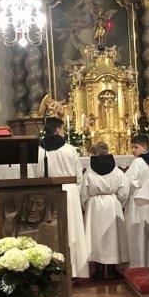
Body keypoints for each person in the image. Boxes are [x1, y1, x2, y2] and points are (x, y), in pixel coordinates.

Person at [36, 117, 90, 278]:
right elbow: (79, 177)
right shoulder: (69, 149)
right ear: (57, 130)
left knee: (51, 230)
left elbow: (37, 173)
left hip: (49, 192)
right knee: (72, 230)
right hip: (70, 192)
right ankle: (74, 270)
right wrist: (76, 194)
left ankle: (51, 269)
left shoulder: (40, 150)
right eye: (62, 129)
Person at [81, 142, 129, 279]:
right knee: (113, 237)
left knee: (95, 238)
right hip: (112, 204)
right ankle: (112, 270)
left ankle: (99, 271)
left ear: (95, 154)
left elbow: (84, 193)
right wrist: (117, 203)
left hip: (94, 206)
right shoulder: (116, 170)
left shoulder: (89, 171)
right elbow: (124, 191)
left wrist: (86, 207)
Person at [124, 135, 149, 268]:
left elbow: (128, 181)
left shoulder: (138, 162)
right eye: (132, 147)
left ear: (144, 147)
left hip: (138, 199)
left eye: (136, 147)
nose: (133, 150)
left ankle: (138, 263)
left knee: (137, 230)